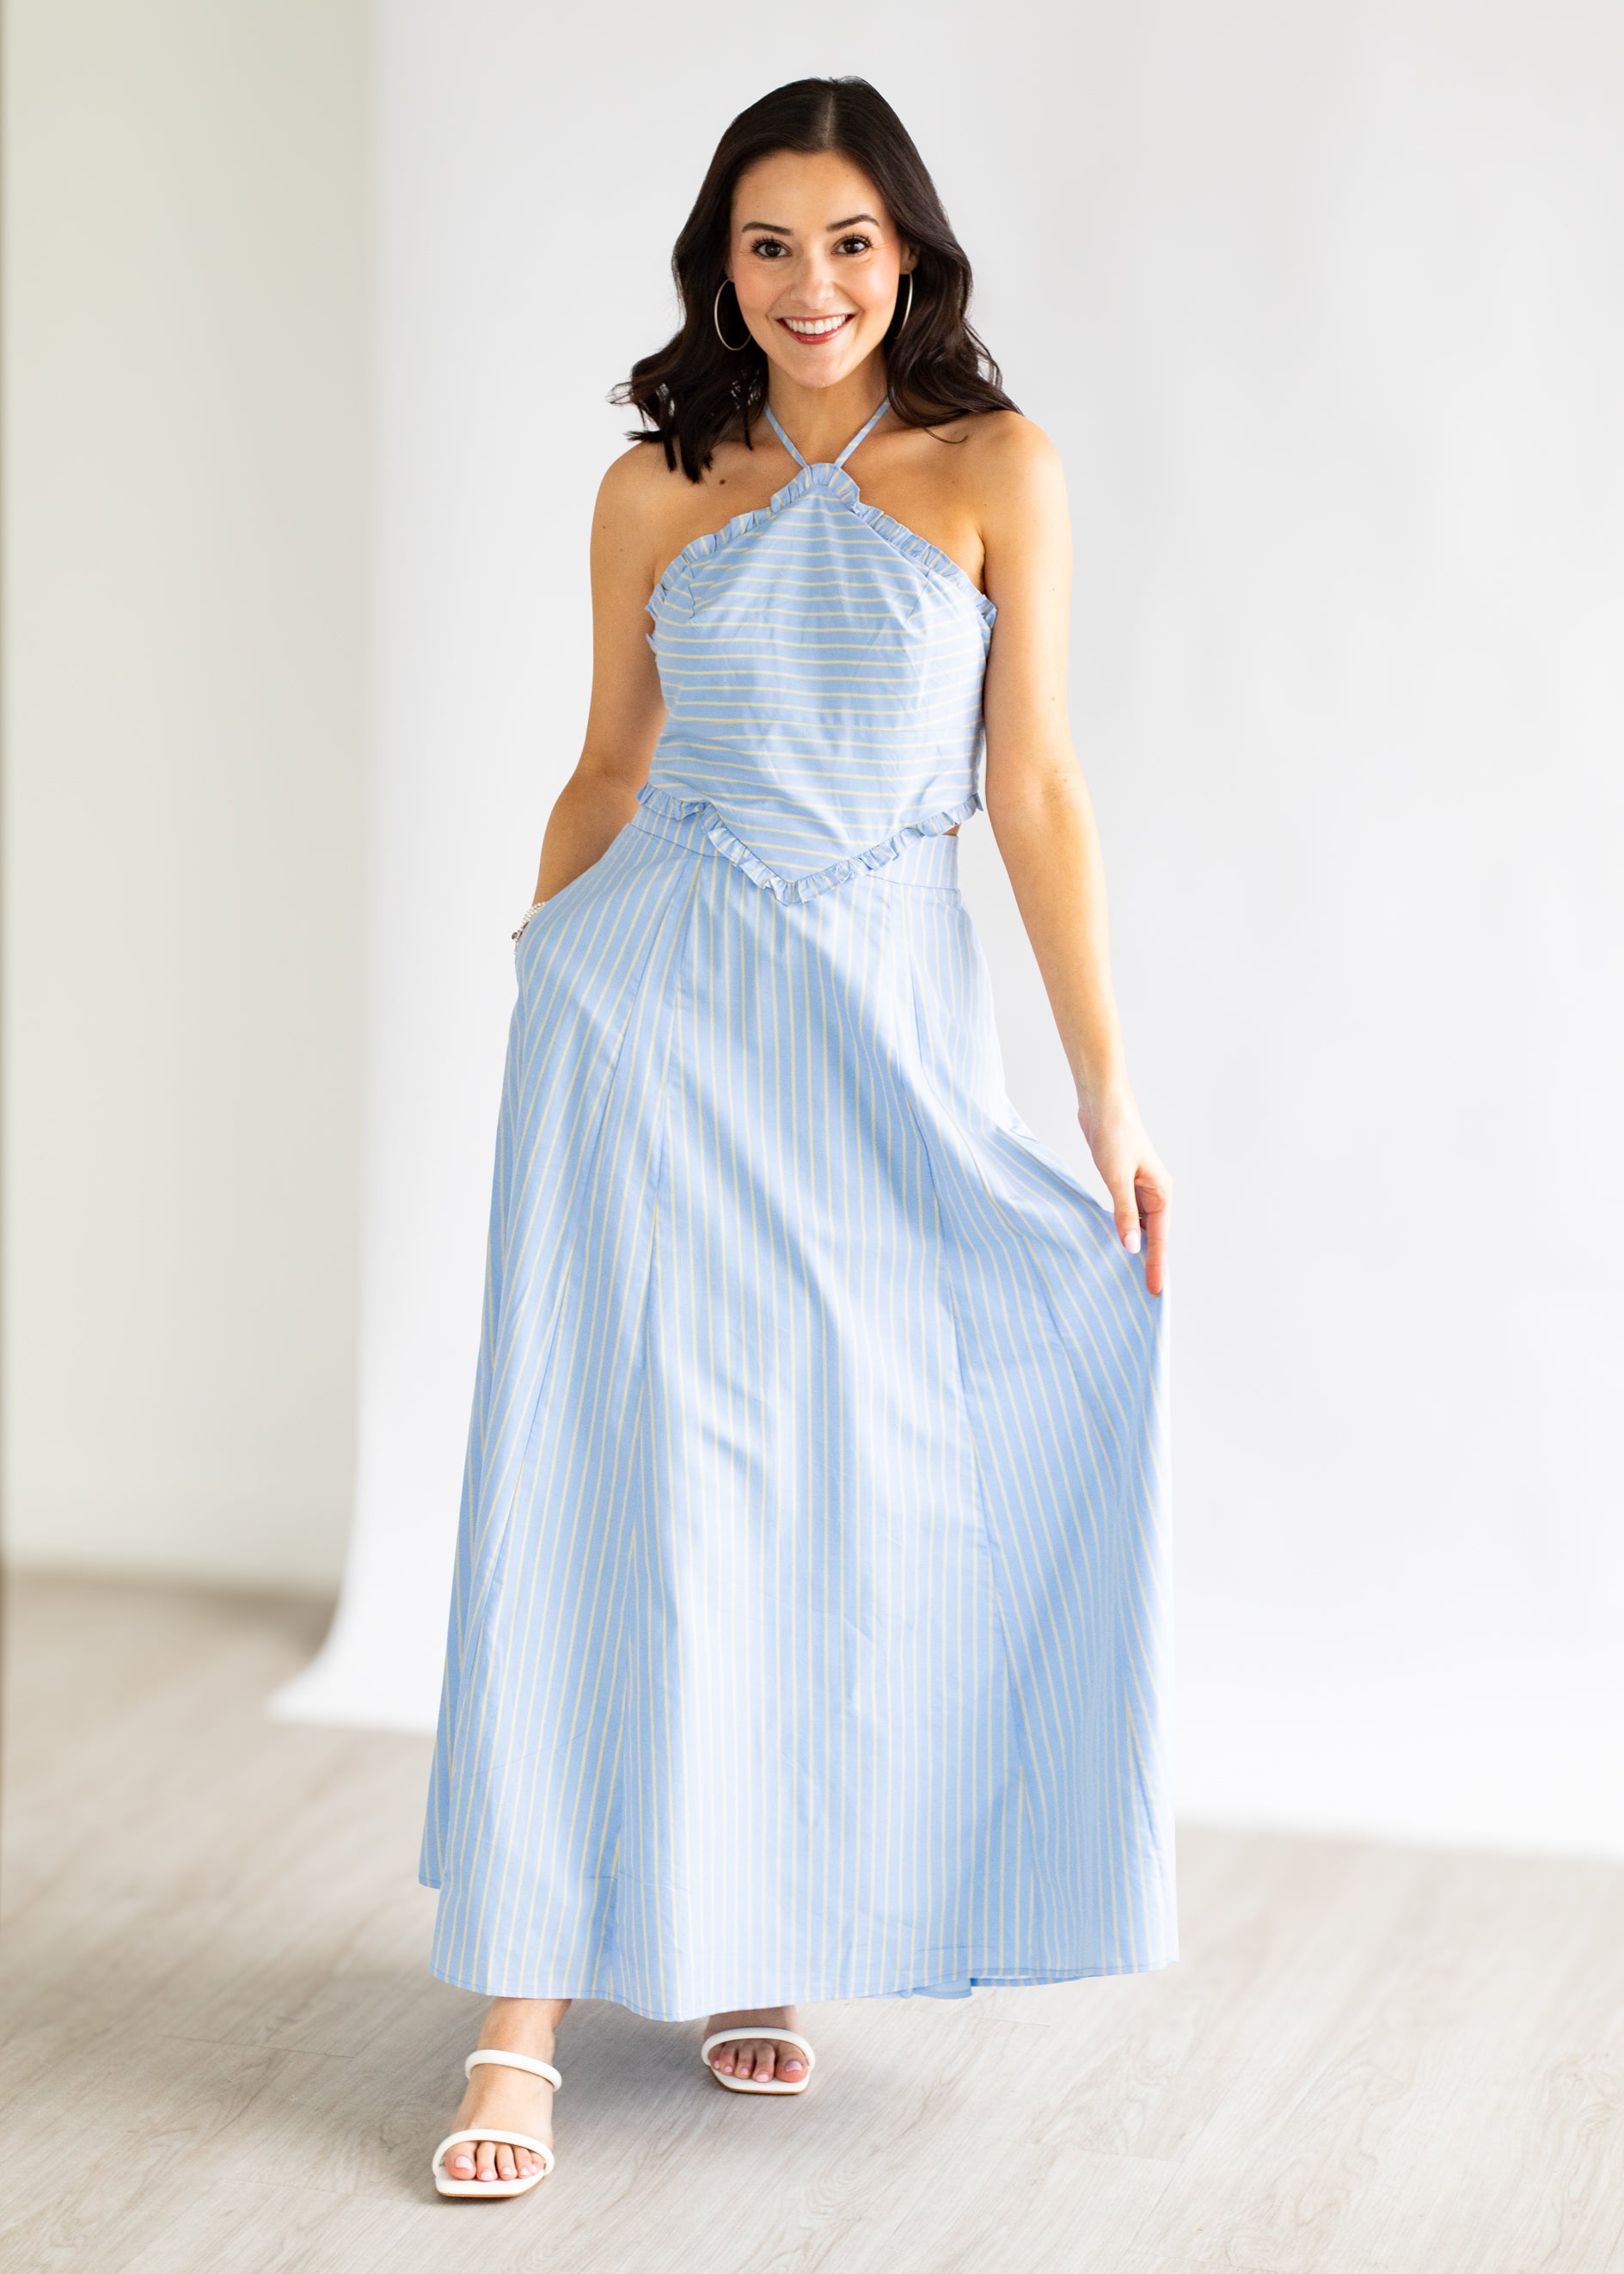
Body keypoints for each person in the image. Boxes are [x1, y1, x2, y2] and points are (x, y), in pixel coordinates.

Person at [423, 74, 1174, 2200]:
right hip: (649, 1021)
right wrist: (546, 971)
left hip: (882, 1029)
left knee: (833, 1465)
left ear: (907, 253)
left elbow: (1036, 791)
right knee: (605, 1462)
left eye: (848, 241)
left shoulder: (998, 467)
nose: (811, 283)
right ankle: (516, 2018)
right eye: (769, 244)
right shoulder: (656, 486)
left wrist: (1105, 1089)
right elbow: (606, 766)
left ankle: (757, 1925)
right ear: (720, 266)